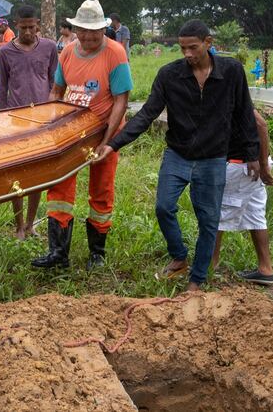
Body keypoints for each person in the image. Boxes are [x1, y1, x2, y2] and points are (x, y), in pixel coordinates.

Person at [97, 19, 260, 291]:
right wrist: (113, 144)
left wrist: (252, 153)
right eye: (182, 48)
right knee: (163, 207)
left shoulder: (231, 71)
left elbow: (245, 113)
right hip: (178, 154)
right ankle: (179, 257)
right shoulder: (169, 75)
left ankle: (196, 280)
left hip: (213, 157)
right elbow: (147, 114)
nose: (187, 54)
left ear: (208, 44)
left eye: (193, 48)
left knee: (208, 220)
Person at [32, 0, 133, 271]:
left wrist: (107, 141)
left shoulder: (115, 53)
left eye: (94, 32)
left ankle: (97, 254)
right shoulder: (66, 53)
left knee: (101, 190)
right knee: (60, 186)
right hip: (70, 132)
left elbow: (121, 99)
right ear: (75, 29)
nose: (88, 37)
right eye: (83, 31)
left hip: (103, 130)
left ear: (103, 30)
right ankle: (58, 253)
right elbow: (56, 90)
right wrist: (53, 122)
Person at [0, 5, 58, 240]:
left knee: (38, 175)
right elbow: (3, 87)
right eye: (23, 28)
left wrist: (55, 112)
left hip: (42, 120)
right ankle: (18, 226)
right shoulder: (5, 52)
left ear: (38, 26)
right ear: (16, 26)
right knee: (17, 175)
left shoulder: (49, 47)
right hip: (16, 120)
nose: (28, 32)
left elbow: (55, 81)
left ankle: (31, 223)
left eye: (32, 27)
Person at [211, 110, 273, 284]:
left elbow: (261, 124)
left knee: (218, 214)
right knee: (255, 214)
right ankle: (266, 269)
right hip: (250, 165)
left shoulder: (228, 90)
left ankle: (209, 267)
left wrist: (262, 164)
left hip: (243, 165)